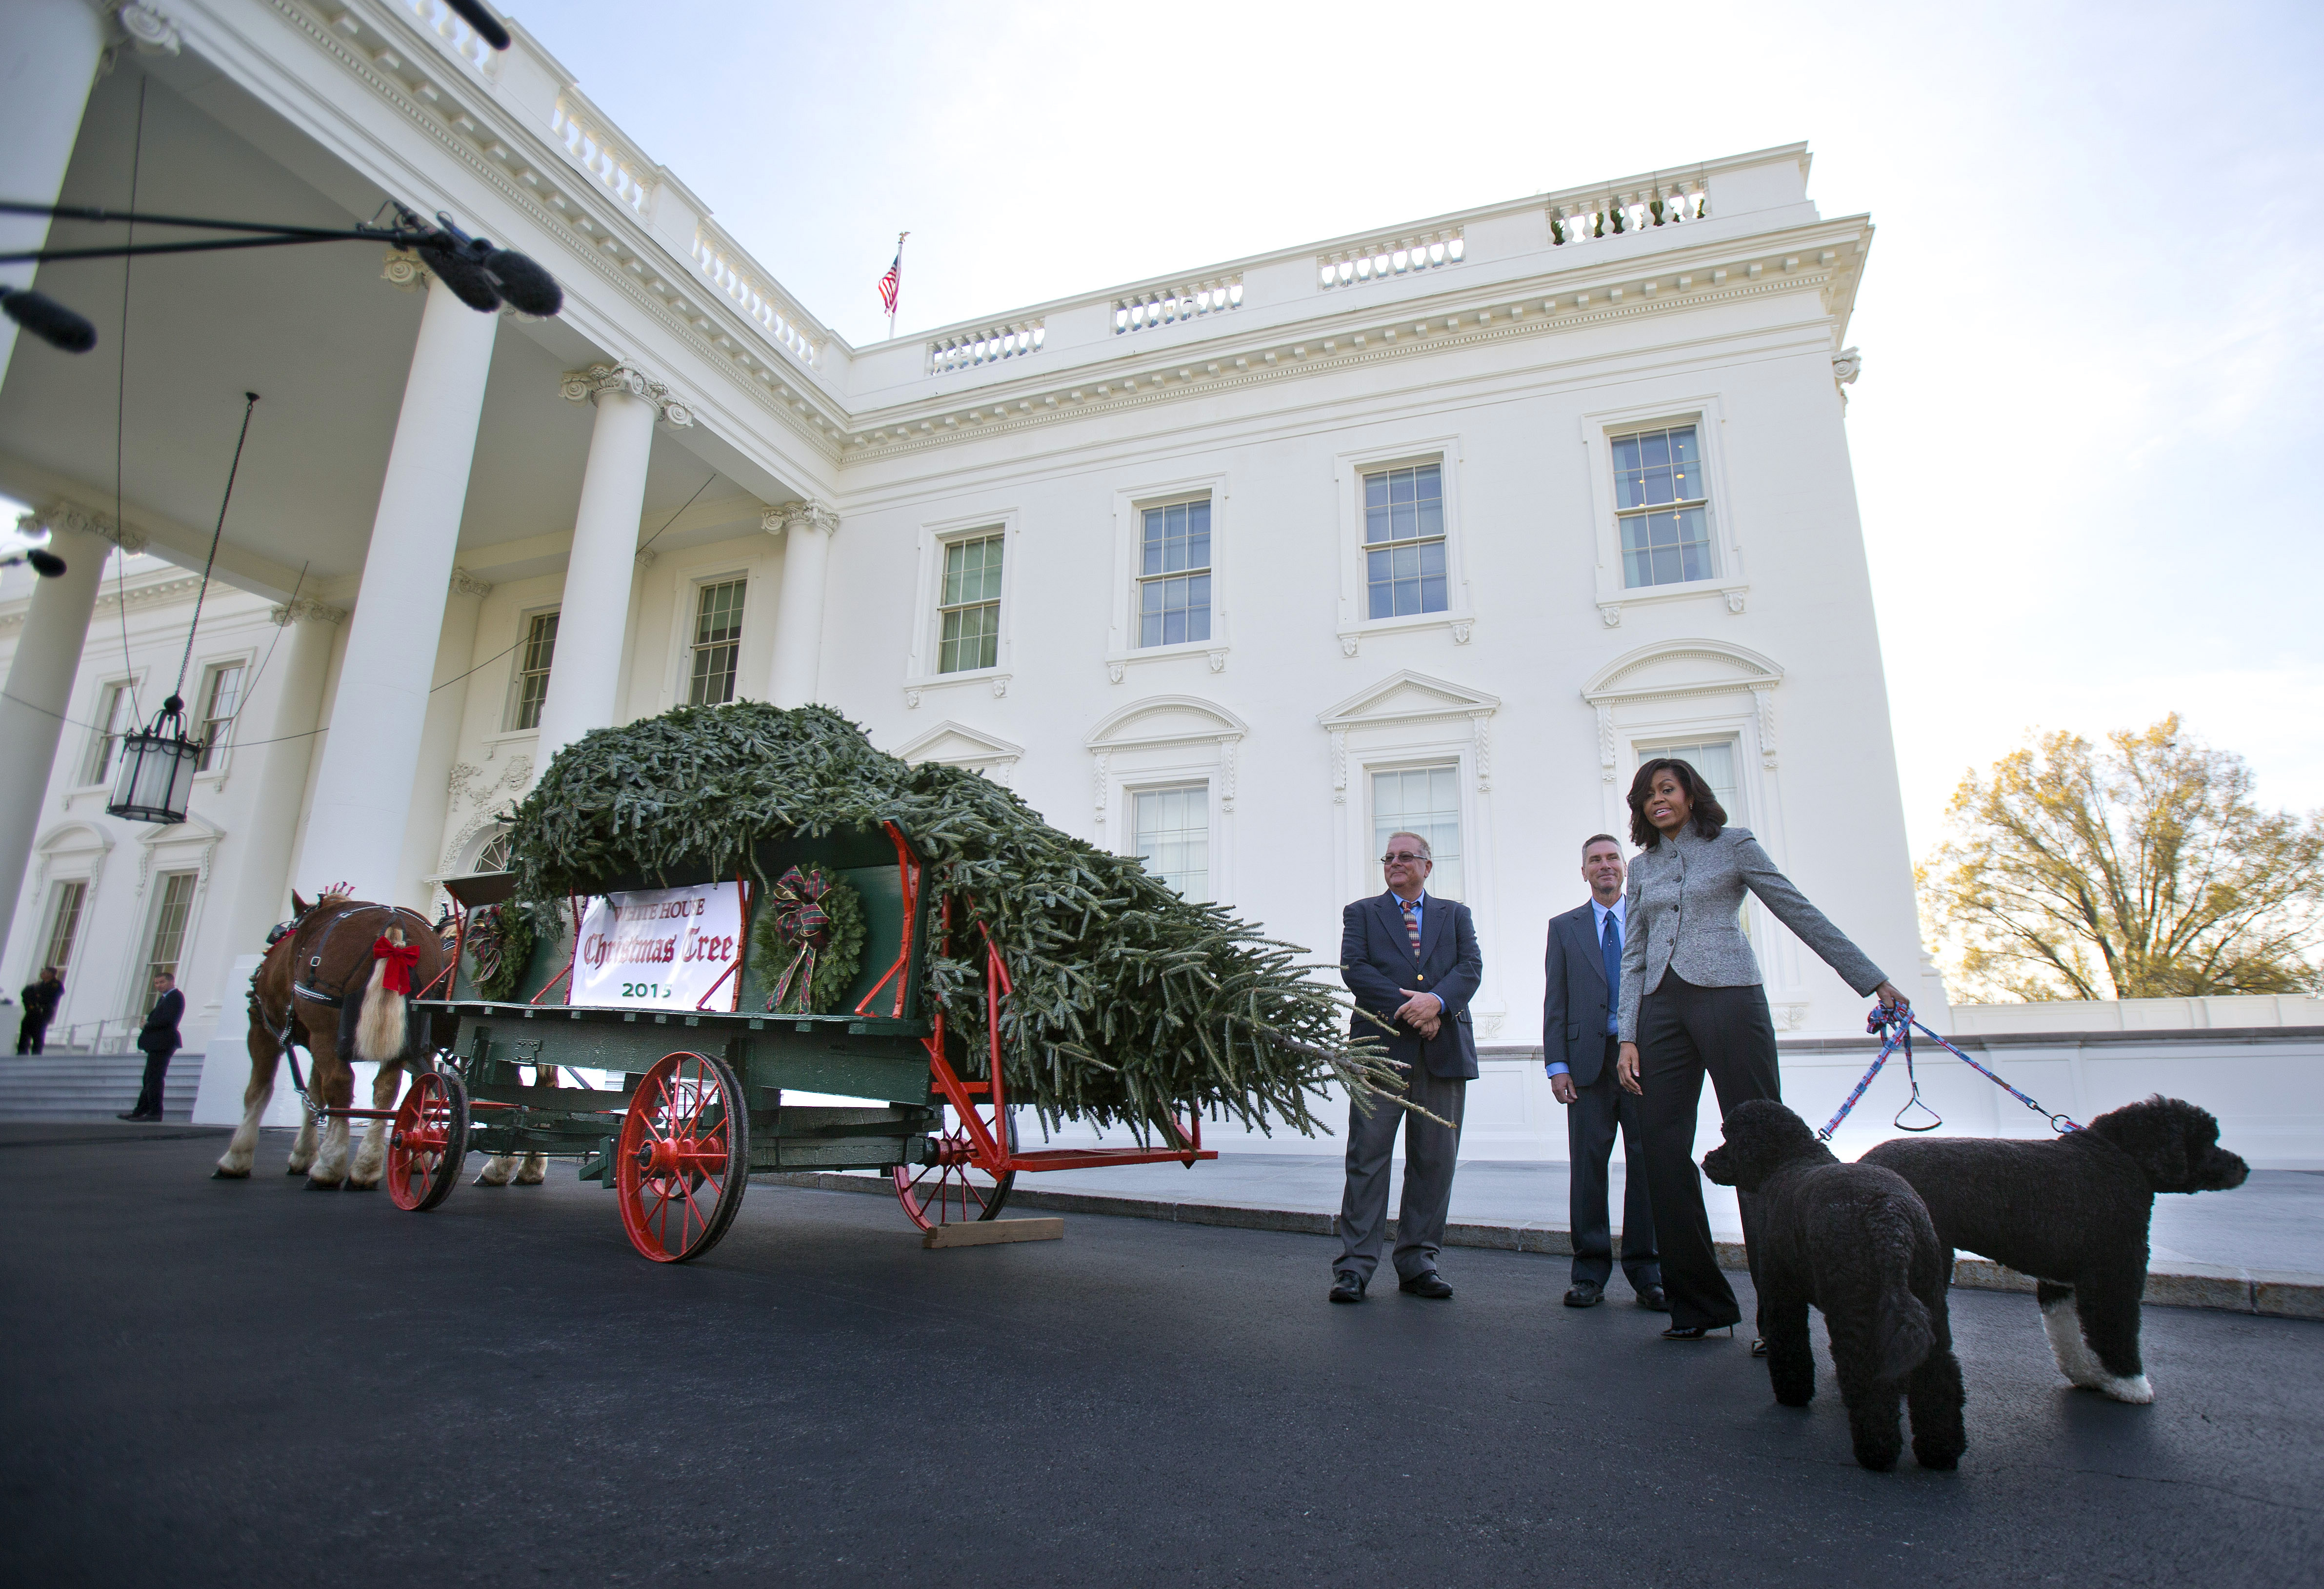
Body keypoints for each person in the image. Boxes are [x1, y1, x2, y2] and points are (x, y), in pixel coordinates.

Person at [1614, 758, 1905, 1344]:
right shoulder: (1642, 869)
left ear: (1691, 795)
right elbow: (1633, 954)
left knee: (1761, 1152)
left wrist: (1872, 979)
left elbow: (1797, 910)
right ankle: (1698, 1304)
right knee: (1660, 1151)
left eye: (1667, 789)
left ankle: (1780, 1318)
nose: (1657, 800)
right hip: (1659, 1010)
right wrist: (1627, 1034)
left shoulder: (1734, 845)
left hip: (1730, 1000)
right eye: (1647, 795)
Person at [1330, 832, 1483, 1303]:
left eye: (1405, 857)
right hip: (1380, 1052)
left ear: (1427, 867)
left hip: (1444, 1052)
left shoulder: (1455, 915)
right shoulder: (1361, 913)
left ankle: (1419, 1262)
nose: (1395, 863)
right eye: (1389, 857)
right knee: (1368, 1158)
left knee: (1434, 1162)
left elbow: (1470, 968)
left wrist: (1436, 1003)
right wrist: (1413, 1009)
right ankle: (1354, 1268)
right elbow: (1355, 970)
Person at [1543, 835, 1663, 1311]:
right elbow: (1556, 1000)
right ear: (1584, 872)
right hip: (1587, 1064)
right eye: (1595, 860)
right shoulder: (1564, 927)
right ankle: (1589, 1274)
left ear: (1625, 868)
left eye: (1613, 857)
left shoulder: (1650, 917)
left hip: (1644, 1059)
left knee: (1647, 1167)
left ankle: (1648, 1273)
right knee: (1588, 1169)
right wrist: (1557, 1065)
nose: (1605, 865)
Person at [121, 971, 183, 1122]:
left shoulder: (175, 997)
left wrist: (147, 1026)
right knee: (149, 1078)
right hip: (158, 1043)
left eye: (162, 982)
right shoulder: (165, 998)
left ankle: (155, 1112)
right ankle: (141, 1110)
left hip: (164, 1043)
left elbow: (168, 1021)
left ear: (171, 982)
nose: (158, 986)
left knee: (155, 1078)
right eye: (156, 983)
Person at [17, 966, 61, 1054]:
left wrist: (38, 997)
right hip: (32, 1011)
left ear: (51, 974)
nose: (42, 974)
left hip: (43, 1012)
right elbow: (25, 993)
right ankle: (22, 1053)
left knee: (38, 1034)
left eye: (45, 972)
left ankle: (36, 1054)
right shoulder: (38, 985)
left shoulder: (56, 985)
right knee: (25, 1030)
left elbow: (51, 998)